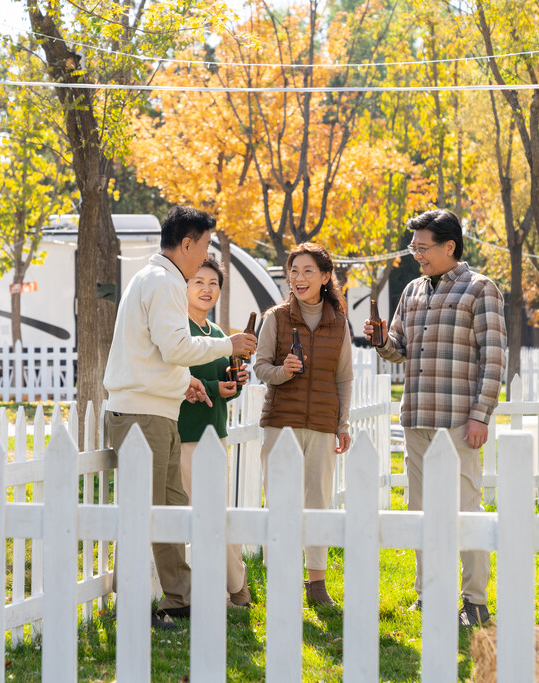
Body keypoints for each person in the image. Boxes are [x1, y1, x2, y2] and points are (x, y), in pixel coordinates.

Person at [103, 205, 258, 630]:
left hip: (155, 409)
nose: (207, 253)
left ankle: (181, 598)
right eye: (206, 244)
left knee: (170, 508)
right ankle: (133, 605)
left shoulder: (156, 278)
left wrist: (180, 383)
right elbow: (174, 347)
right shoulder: (166, 282)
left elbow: (155, 352)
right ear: (187, 244)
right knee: (147, 512)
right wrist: (229, 344)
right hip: (141, 415)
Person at [364, 208, 506, 628]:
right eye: (414, 247)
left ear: (450, 246)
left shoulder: (481, 289)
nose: (417, 254)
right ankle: (430, 595)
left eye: (423, 247)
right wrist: (380, 340)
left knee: (465, 510)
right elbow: (399, 348)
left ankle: (475, 601)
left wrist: (480, 416)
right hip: (417, 416)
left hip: (461, 421)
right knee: (421, 509)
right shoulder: (411, 291)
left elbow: (494, 358)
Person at [254, 242, 353, 607]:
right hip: (281, 422)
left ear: (326, 277)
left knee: (317, 504)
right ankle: (281, 576)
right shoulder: (276, 318)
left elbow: (344, 379)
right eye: (293, 271)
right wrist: (283, 372)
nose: (298, 278)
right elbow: (260, 366)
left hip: (324, 425)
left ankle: (316, 583)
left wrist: (342, 424)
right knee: (280, 503)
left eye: (308, 271)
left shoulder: (338, 323)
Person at [177, 257, 252, 609]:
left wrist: (235, 383)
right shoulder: (177, 330)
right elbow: (173, 379)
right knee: (196, 514)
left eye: (213, 284)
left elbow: (229, 384)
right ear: (185, 287)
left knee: (217, 512)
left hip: (216, 434)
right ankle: (219, 589)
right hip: (185, 434)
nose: (207, 289)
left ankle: (236, 585)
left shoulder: (219, 334)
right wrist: (211, 384)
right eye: (198, 282)